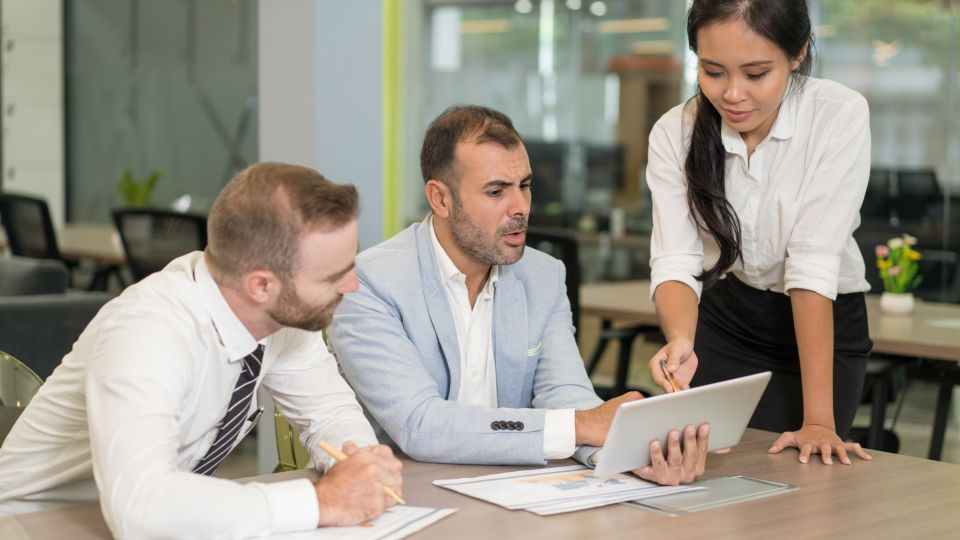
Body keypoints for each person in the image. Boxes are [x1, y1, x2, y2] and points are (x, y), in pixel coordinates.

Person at [0, 163, 403, 537]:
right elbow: (139, 505)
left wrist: (360, 465)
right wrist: (320, 502)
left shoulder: (284, 318)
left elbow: (330, 413)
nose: (353, 286)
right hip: (35, 526)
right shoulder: (149, 330)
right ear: (262, 285)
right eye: (335, 275)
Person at [329, 105, 709, 486]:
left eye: (524, 186)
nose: (521, 208)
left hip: (508, 493)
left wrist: (630, 454)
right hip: (404, 495)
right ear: (440, 199)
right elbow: (420, 425)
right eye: (496, 192)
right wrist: (583, 426)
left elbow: (566, 394)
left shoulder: (542, 275)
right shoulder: (369, 283)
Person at [645, 0, 873, 466]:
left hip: (821, 323)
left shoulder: (838, 115)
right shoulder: (676, 131)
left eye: (755, 74)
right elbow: (675, 259)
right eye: (712, 72)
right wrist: (681, 340)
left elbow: (812, 265)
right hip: (729, 319)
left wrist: (819, 421)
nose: (732, 94)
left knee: (805, 476)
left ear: (797, 54)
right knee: (715, 474)